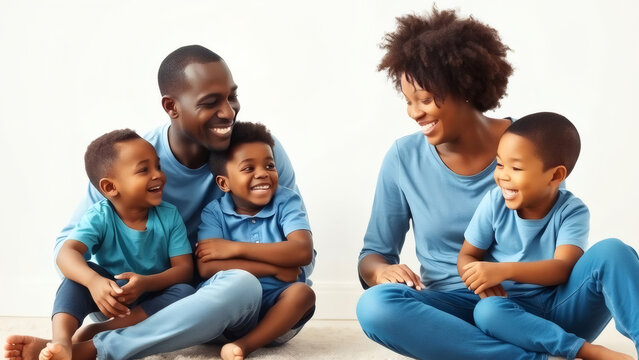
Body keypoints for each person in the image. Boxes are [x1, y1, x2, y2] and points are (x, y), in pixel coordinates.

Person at [355, 8, 639, 360]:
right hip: (460, 313)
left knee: (613, 251)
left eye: (426, 100)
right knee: (375, 306)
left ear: (465, 88)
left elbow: (554, 236)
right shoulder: (402, 158)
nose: (415, 113)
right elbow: (373, 254)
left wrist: (507, 273)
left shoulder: (529, 143)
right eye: (409, 101)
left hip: (550, 306)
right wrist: (381, 270)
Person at [5, 45, 312, 360]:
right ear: (172, 106)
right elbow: (65, 248)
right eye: (210, 102)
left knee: (241, 285)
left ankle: (91, 350)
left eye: (231, 97)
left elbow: (303, 256)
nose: (228, 112)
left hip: (238, 299)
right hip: (146, 303)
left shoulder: (258, 154)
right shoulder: (131, 158)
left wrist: (231, 267)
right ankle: (75, 342)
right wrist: (103, 286)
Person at [459, 112, 633, 360]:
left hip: (566, 309)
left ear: (555, 176)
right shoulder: (493, 203)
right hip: (516, 314)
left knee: (613, 250)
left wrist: (504, 270)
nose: (503, 175)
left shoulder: (572, 211)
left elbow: (562, 268)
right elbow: (467, 254)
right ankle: (587, 352)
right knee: (486, 312)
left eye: (516, 167)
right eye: (499, 164)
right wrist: (476, 276)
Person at [40, 129, 196, 360]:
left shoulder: (169, 216)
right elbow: (66, 253)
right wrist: (94, 282)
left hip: (152, 298)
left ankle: (97, 332)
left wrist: (146, 284)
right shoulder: (100, 216)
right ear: (110, 188)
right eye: (144, 170)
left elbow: (184, 270)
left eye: (158, 167)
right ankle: (62, 341)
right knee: (76, 276)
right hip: (110, 296)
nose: (158, 175)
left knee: (187, 292)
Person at [197, 121, 315, 360]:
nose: (262, 173)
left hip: (278, 313)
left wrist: (233, 248)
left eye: (269, 165)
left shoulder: (286, 200)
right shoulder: (214, 212)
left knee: (304, 294)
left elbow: (302, 251)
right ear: (224, 183)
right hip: (231, 312)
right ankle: (234, 338)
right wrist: (274, 267)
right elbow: (206, 267)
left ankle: (245, 345)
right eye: (248, 168)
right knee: (215, 296)